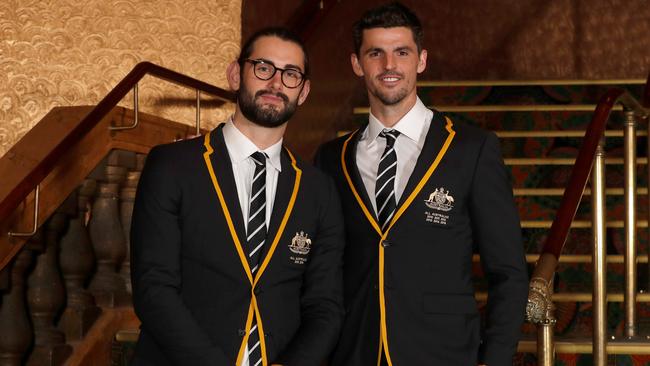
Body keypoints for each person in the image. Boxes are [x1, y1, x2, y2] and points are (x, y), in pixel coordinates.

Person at [315, 2, 528, 365]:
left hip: (443, 352)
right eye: (375, 54)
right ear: (356, 64)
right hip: (353, 351)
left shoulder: (471, 149)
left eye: (402, 52)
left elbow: (508, 272)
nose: (389, 66)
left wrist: (495, 359)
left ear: (421, 60)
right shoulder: (331, 159)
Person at [130, 27, 345, 366]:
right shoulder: (172, 166)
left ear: (303, 92)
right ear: (235, 74)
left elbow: (325, 306)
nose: (276, 83)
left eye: (290, 75)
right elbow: (154, 289)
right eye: (263, 67)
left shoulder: (319, 190)